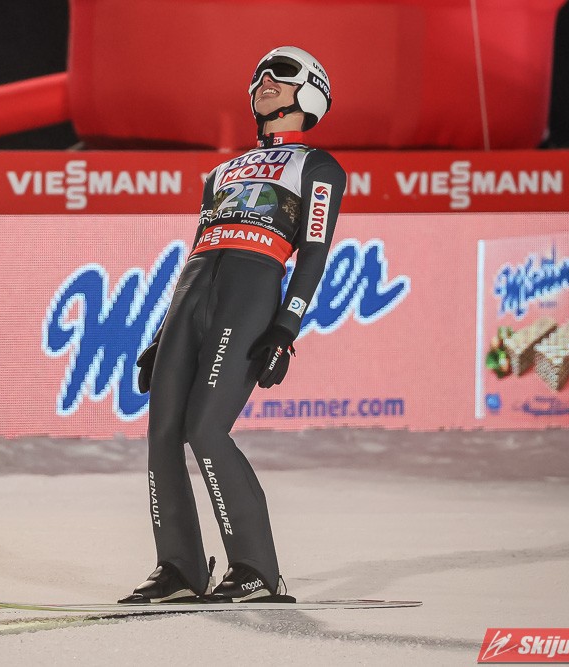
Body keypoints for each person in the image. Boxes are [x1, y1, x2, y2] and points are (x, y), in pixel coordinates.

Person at [121, 46, 347, 604]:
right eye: (259, 74)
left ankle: (255, 569)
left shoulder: (318, 166)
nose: (265, 79)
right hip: (194, 290)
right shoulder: (221, 171)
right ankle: (179, 568)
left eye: (282, 73)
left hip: (250, 291)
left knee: (205, 430)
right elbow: (198, 247)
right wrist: (161, 333)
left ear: (311, 91)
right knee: (162, 434)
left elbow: (314, 252)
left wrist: (286, 328)